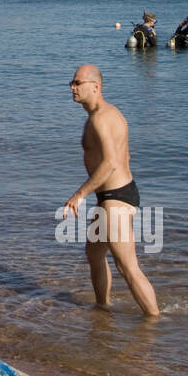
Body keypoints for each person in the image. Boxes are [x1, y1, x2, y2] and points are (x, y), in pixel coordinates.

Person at [63, 64, 160, 318]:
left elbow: (111, 163)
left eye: (77, 83)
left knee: (127, 266)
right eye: (71, 83)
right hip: (110, 196)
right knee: (94, 253)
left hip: (116, 199)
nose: (72, 88)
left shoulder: (101, 118)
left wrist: (79, 195)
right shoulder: (101, 115)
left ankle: (155, 320)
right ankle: (102, 307)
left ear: (95, 87)